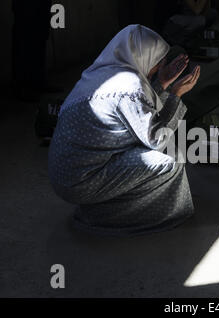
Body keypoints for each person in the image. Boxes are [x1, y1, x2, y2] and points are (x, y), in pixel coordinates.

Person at [48, 25, 200, 236]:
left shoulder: (102, 73)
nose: (157, 67)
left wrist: (162, 84)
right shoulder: (130, 86)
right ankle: (108, 215)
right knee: (170, 160)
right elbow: (159, 139)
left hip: (67, 175)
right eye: (157, 61)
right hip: (81, 181)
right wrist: (176, 95)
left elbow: (137, 116)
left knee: (147, 149)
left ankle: (104, 203)